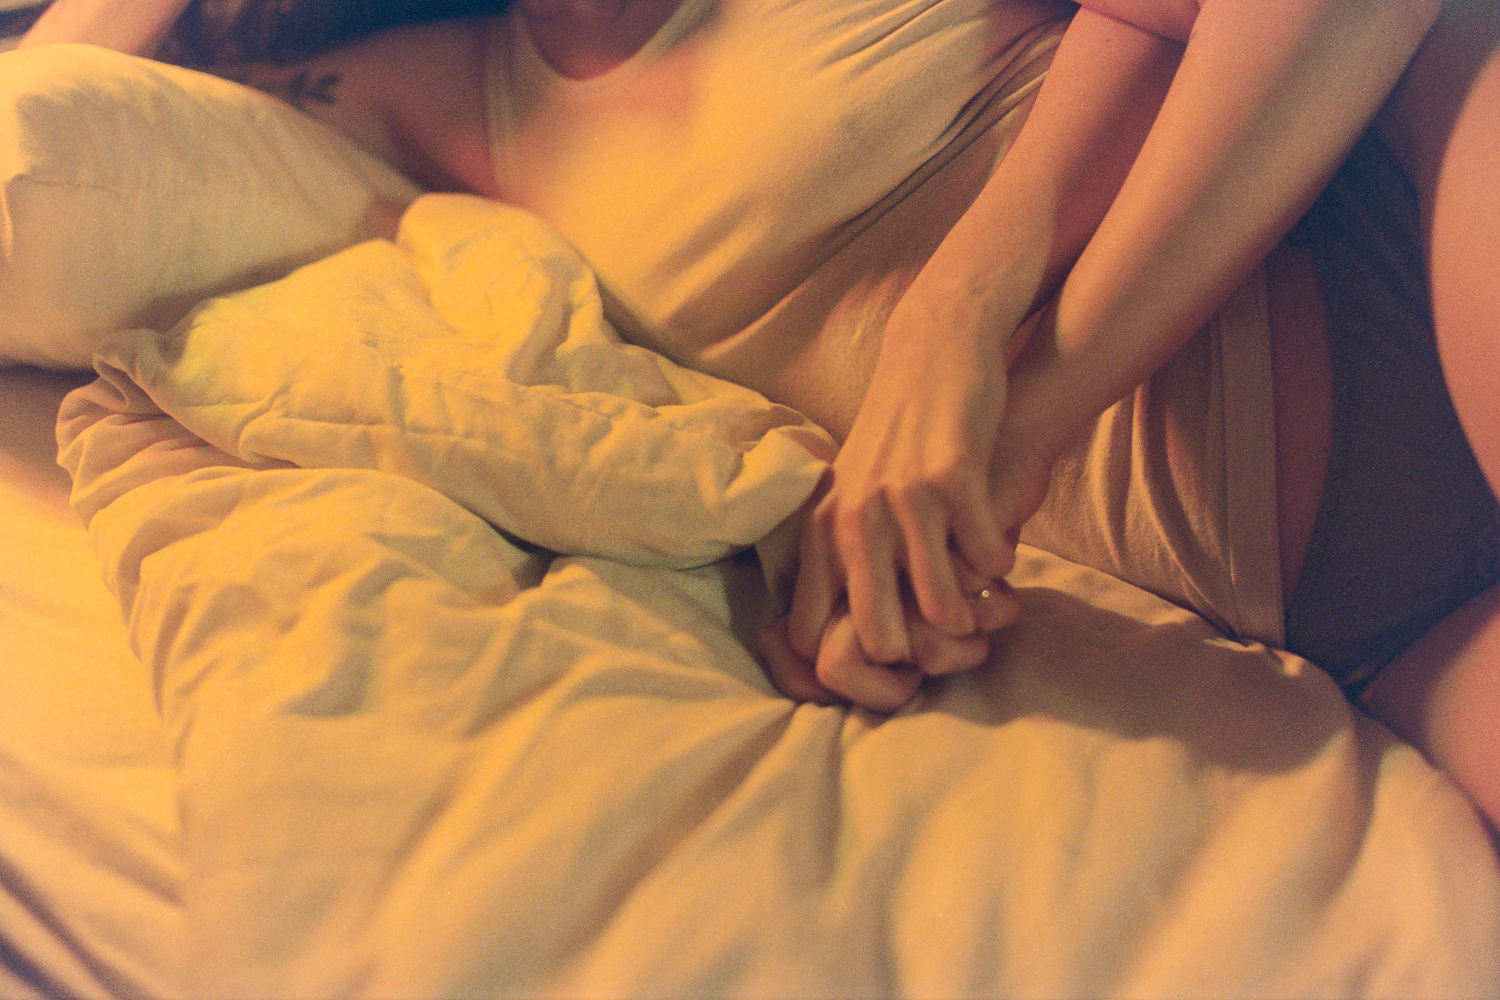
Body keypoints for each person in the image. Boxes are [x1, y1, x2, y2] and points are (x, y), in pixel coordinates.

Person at [17, 0, 1498, 832]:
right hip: (1354, 620)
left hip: (1410, 224)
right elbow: (44, 100)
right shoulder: (429, 91)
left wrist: (981, 341)